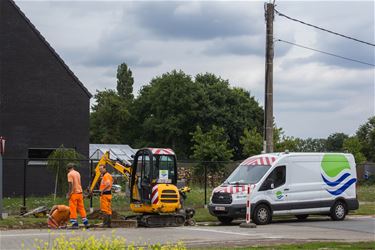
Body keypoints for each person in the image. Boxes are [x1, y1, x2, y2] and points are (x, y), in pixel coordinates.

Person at [66, 163, 89, 229]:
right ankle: (86, 223)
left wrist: (69, 194)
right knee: (81, 208)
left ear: (68, 169)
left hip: (74, 194)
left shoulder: (70, 174)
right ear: (73, 167)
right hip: (80, 193)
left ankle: (74, 224)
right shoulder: (77, 173)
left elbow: (71, 185)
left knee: (73, 208)